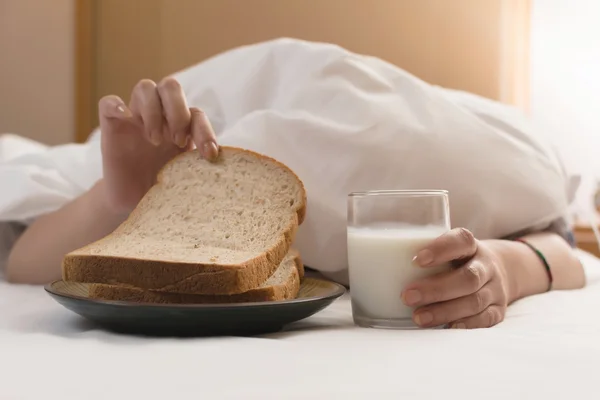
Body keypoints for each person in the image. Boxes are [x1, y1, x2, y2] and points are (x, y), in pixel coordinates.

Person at [1, 38, 586, 330]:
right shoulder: (256, 99)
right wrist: (123, 199)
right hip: (168, 146)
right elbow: (24, 259)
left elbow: (565, 247)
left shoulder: (503, 154)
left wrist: (510, 267)